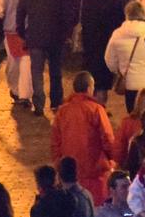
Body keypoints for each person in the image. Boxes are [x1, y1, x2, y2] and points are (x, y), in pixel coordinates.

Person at [17, 0, 74, 116]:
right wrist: (66, 33)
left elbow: (20, 15)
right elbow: (68, 13)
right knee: (55, 70)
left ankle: (39, 103)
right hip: (55, 36)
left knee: (37, 71)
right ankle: (56, 102)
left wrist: (22, 33)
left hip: (35, 36)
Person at [50, 73, 116, 203]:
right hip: (95, 172)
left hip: (70, 173)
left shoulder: (62, 111)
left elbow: (55, 142)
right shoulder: (96, 109)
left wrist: (59, 164)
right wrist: (112, 160)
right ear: (89, 88)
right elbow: (108, 139)